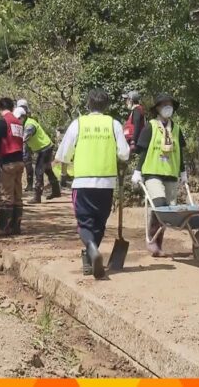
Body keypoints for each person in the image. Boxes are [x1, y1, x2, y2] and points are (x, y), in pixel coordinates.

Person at [56, 89, 130, 279]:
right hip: (106, 183)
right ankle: (89, 258)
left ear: (88, 104)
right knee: (99, 222)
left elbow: (64, 154)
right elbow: (124, 153)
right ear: (106, 106)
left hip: (83, 182)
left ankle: (90, 248)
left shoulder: (78, 124)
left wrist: (65, 169)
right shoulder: (113, 124)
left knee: (84, 223)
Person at [131, 93, 187, 257]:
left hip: (171, 174)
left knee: (168, 211)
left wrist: (183, 172)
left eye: (169, 104)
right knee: (160, 204)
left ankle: (158, 243)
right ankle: (152, 241)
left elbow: (179, 153)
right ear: (157, 108)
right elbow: (143, 151)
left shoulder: (176, 129)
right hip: (152, 172)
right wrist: (138, 171)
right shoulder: (151, 127)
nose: (167, 107)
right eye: (164, 104)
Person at [0, 98, 26, 236]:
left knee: (6, 195)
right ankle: (16, 227)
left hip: (8, 163)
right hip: (19, 161)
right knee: (17, 195)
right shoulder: (18, 122)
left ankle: (2, 228)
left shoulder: (2, 121)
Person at [19, 100, 62, 203]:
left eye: (18, 118)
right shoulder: (25, 123)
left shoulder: (29, 125)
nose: (17, 120)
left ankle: (37, 196)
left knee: (39, 170)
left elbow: (23, 139)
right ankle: (56, 191)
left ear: (23, 117)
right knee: (47, 169)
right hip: (44, 148)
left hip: (45, 148)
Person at [18, 99, 35, 192]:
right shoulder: (17, 115)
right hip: (19, 143)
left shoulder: (29, 118)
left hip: (27, 143)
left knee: (28, 165)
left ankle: (30, 184)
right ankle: (19, 184)